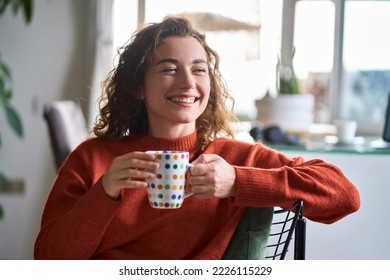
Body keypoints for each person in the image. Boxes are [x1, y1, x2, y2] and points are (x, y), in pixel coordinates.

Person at [34, 16, 360, 260]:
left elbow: (345, 196)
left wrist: (237, 181)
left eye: (199, 69)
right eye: (169, 69)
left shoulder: (233, 160)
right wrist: (105, 193)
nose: (188, 83)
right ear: (138, 86)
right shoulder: (94, 159)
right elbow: (49, 260)